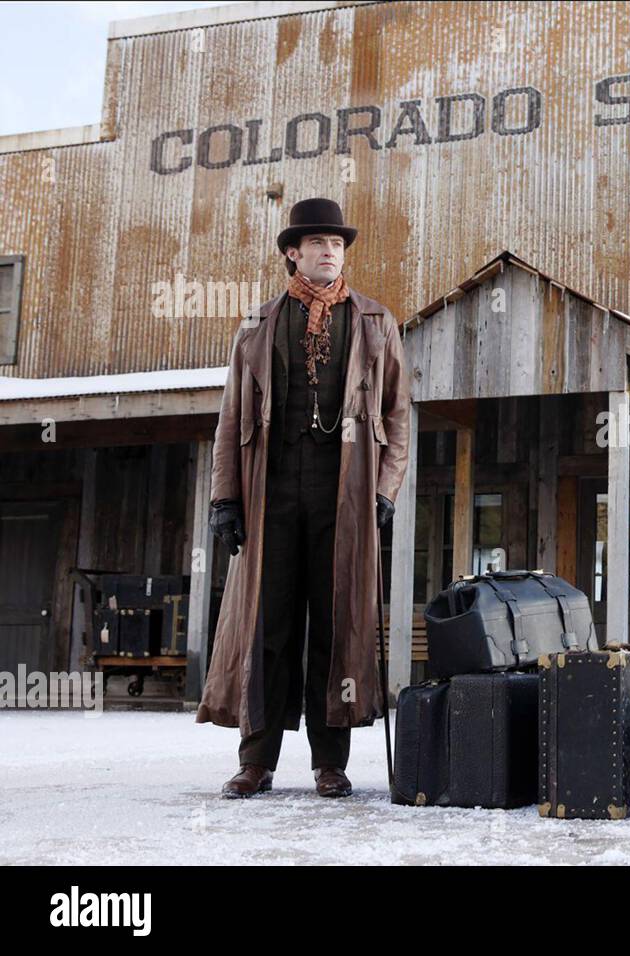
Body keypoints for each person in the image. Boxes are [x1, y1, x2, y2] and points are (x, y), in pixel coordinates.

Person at [196, 198, 411, 799]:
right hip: (271, 491)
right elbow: (231, 417)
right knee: (268, 624)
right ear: (292, 251)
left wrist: (385, 491)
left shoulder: (375, 321)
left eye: (337, 244)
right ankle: (256, 759)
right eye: (316, 242)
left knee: (336, 624)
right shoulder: (257, 324)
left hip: (343, 493)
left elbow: (398, 415)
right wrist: (225, 501)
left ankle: (330, 762)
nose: (328, 251)